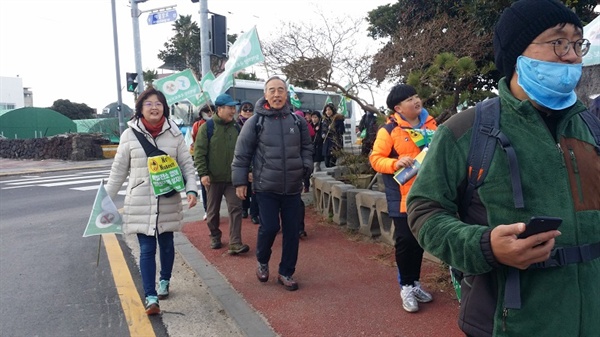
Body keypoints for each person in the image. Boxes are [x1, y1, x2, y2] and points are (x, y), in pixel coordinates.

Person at [407, 1, 599, 335]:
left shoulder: (592, 129)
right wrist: (485, 246)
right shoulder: (466, 131)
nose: (571, 56)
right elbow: (425, 210)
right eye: (558, 42)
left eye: (577, 43)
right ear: (516, 56)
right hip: (505, 323)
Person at [105, 87, 198, 316]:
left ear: (164, 107)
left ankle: (164, 280)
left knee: (166, 243)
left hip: (167, 198)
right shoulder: (129, 135)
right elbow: (118, 171)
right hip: (140, 200)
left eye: (158, 103)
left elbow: (186, 164)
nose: (154, 107)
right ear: (140, 109)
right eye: (148, 104)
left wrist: (192, 190)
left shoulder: (174, 133)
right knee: (146, 248)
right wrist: (104, 198)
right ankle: (151, 296)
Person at [232, 76, 313, 291]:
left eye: (281, 90)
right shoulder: (255, 122)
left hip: (292, 187)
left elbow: (307, 147)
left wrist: (306, 167)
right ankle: (262, 261)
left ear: (286, 94)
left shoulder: (298, 121)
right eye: (272, 90)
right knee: (269, 227)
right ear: (265, 94)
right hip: (266, 186)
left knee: (292, 230)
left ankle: (286, 271)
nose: (277, 94)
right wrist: (240, 181)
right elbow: (242, 154)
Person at [369, 84, 436, 313]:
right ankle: (406, 286)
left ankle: (415, 283)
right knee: (406, 241)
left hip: (429, 194)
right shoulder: (389, 130)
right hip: (402, 196)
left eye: (417, 95)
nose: (416, 100)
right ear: (398, 108)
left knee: (419, 241)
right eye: (410, 99)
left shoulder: (431, 124)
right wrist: (395, 163)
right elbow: (376, 159)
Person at [194, 93, 250, 255]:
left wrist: (249, 171)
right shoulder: (207, 128)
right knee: (212, 213)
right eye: (230, 108)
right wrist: (203, 173)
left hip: (233, 178)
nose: (234, 111)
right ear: (220, 109)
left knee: (236, 208)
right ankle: (215, 235)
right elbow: (199, 152)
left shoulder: (237, 128)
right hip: (213, 179)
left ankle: (235, 242)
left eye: (234, 107)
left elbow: (246, 151)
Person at [237, 100, 260, 224]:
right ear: (240, 111)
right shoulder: (236, 125)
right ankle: (244, 208)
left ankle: (254, 213)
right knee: (243, 185)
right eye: (244, 109)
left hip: (256, 159)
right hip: (242, 158)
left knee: (255, 188)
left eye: (250, 109)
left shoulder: (258, 124)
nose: (247, 112)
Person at [191, 104, 214, 221]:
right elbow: (194, 141)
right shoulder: (197, 125)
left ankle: (214, 210)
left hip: (216, 159)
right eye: (207, 111)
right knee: (205, 187)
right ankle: (207, 210)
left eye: (211, 111)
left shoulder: (218, 123)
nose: (209, 113)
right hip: (204, 160)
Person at [321, 103, 345, 167]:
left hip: (335, 143)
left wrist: (333, 128)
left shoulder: (338, 120)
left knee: (332, 163)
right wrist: (323, 134)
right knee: (326, 163)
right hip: (327, 142)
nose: (327, 112)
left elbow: (341, 131)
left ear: (333, 110)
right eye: (326, 110)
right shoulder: (325, 120)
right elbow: (323, 130)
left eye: (329, 110)